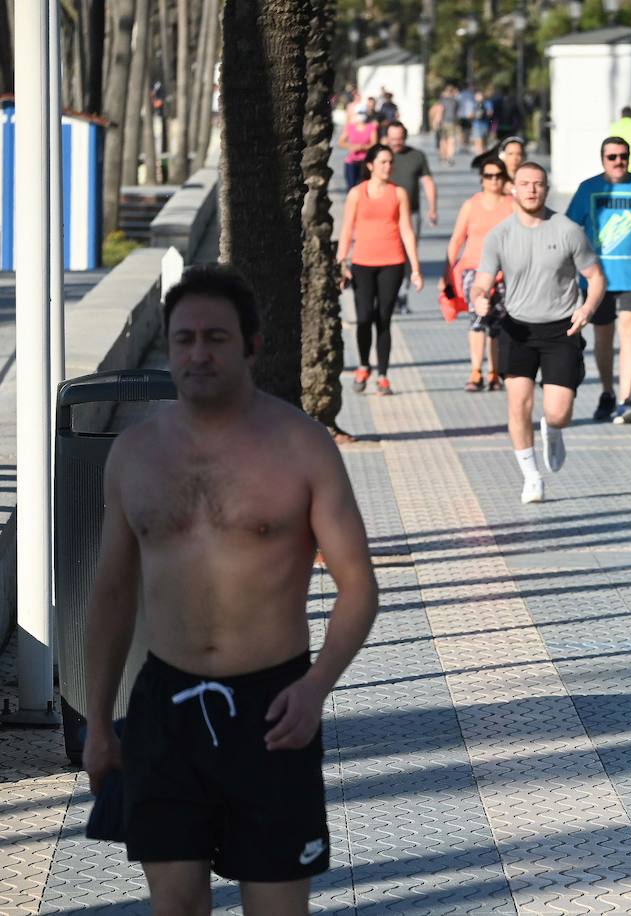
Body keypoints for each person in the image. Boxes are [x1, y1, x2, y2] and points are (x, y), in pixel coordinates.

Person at [82, 264, 378, 911]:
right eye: (184, 338)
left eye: (216, 338)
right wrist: (99, 721)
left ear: (252, 344)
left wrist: (315, 687)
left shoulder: (302, 448)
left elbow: (359, 586)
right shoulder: (133, 455)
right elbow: (110, 595)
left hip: (273, 709)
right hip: (165, 709)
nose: (198, 353)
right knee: (177, 905)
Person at [470, 162, 607, 504]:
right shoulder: (500, 234)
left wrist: (587, 309)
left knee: (559, 411)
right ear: (512, 189)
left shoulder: (567, 230)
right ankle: (531, 476)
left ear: (546, 189)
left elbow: (596, 277)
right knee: (518, 404)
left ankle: (554, 429)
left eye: (538, 184)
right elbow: (483, 281)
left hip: (562, 327)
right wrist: (480, 299)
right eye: (525, 183)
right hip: (517, 328)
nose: (531, 189)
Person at [567, 136, 631, 424]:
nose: (619, 162)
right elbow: (570, 228)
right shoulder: (589, 188)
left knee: (630, 331)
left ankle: (626, 398)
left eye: (623, 156)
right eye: (612, 157)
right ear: (602, 159)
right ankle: (608, 393)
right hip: (597, 280)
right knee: (603, 337)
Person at [336, 144, 423, 396]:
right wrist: (341, 262)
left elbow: (406, 230)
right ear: (370, 165)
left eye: (390, 162)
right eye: (383, 162)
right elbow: (347, 229)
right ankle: (363, 365)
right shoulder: (356, 193)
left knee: (383, 318)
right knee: (364, 317)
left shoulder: (399, 194)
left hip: (392, 262)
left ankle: (383, 375)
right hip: (362, 263)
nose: (388, 167)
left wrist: (415, 267)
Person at [447, 160, 515, 393]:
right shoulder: (471, 205)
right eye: (488, 175)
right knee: (477, 318)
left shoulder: (511, 205)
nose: (493, 180)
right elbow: (457, 238)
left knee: (497, 322)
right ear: (482, 178)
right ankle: (475, 371)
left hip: (504, 272)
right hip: (473, 269)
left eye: (498, 175)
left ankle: (494, 372)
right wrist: (448, 271)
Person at [382, 122, 438, 315]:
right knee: (387, 254)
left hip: (411, 214)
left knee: (408, 254)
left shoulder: (417, 156)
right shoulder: (381, 157)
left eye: (400, 139)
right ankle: (387, 295)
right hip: (385, 215)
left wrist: (432, 208)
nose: (396, 143)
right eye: (392, 139)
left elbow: (428, 182)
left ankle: (402, 295)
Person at [337, 105, 377, 188]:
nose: (361, 115)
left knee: (365, 186)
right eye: (359, 113)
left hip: (366, 162)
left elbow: (374, 143)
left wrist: (363, 147)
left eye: (363, 113)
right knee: (351, 187)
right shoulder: (350, 127)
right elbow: (341, 142)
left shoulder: (371, 127)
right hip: (351, 162)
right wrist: (351, 146)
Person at [439, 85, 462, 165]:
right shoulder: (455, 101)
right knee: (451, 141)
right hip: (452, 122)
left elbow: (440, 111)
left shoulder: (442, 100)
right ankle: (450, 157)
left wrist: (438, 121)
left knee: (443, 140)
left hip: (444, 122)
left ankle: (443, 157)